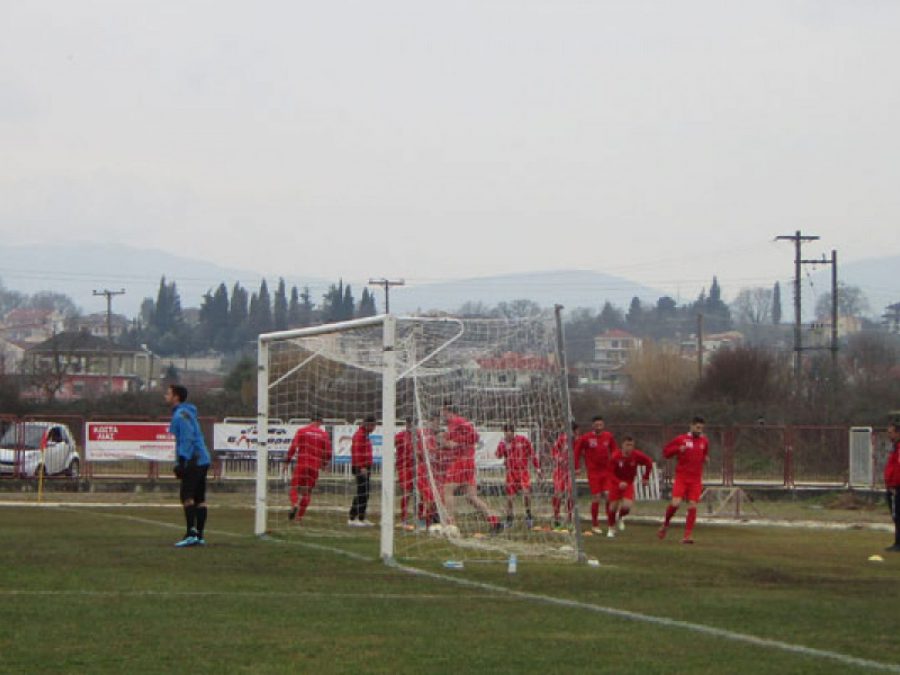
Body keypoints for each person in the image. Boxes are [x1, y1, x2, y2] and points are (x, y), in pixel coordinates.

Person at [440, 404, 502, 532]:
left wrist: (457, 443)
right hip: (466, 462)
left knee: (447, 490)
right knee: (471, 497)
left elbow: (475, 437)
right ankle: (495, 521)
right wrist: (445, 442)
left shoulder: (459, 421)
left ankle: (450, 524)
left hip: (462, 461)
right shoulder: (451, 425)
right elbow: (451, 442)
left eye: (442, 411)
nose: (441, 414)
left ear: (447, 410)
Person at [166, 384, 211, 548]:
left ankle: (191, 534)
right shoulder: (188, 412)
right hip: (202, 458)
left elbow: (187, 437)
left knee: (187, 496)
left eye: (168, 393)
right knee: (200, 498)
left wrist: (182, 461)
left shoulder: (180, 416)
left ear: (176, 397)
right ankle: (199, 535)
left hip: (194, 459)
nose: (166, 396)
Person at [658, 416, 709, 544]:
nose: (699, 430)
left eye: (701, 428)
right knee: (675, 504)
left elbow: (704, 454)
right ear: (691, 426)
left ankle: (687, 536)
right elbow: (666, 452)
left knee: (693, 505)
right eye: (697, 427)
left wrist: (705, 459)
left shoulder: (704, 441)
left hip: (696, 479)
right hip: (682, 477)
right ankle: (665, 524)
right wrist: (677, 450)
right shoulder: (681, 439)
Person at [285, 413, 333, 524]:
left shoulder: (302, 431)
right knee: (307, 493)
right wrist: (324, 464)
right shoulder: (324, 434)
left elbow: (293, 447)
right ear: (320, 422)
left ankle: (294, 504)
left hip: (302, 464)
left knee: (294, 488)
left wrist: (287, 461)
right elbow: (328, 453)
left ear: (310, 420)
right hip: (314, 467)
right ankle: (299, 518)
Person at [575, 416, 618, 534]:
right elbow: (577, 451)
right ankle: (595, 524)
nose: (599, 427)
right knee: (597, 497)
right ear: (593, 426)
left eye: (601, 425)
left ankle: (611, 523)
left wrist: (615, 460)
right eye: (597, 425)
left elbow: (614, 449)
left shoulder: (608, 436)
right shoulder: (586, 438)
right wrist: (577, 467)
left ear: (603, 425)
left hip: (606, 471)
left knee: (609, 496)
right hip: (593, 472)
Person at [606, 435, 653, 538]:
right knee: (612, 507)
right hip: (615, 483)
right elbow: (609, 473)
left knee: (627, 506)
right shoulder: (615, 456)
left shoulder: (636, 455)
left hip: (628, 483)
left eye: (631, 445)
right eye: (627, 445)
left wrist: (646, 477)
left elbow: (649, 462)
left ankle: (620, 516)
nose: (629, 447)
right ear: (622, 445)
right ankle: (611, 528)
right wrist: (618, 482)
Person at [496, 424, 540, 529]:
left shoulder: (523, 440)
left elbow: (531, 454)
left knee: (526, 494)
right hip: (510, 473)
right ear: (504, 433)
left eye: (510, 431)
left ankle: (529, 516)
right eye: (506, 431)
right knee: (510, 499)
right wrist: (503, 447)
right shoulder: (503, 443)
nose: (508, 433)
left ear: (513, 432)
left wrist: (537, 468)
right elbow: (498, 455)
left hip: (523, 472)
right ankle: (509, 519)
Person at [349, 416, 376, 527]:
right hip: (361, 468)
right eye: (373, 425)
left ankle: (361, 517)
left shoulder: (365, 435)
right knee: (361, 493)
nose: (374, 427)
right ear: (367, 424)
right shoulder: (359, 435)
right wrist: (361, 467)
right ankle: (352, 517)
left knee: (365, 493)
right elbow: (356, 452)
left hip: (365, 467)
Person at [551, 423, 578, 529]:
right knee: (558, 493)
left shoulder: (578, 441)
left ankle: (570, 518)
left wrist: (576, 467)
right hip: (559, 471)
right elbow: (554, 451)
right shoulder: (562, 438)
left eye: (575, 431)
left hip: (570, 472)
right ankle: (556, 517)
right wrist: (559, 459)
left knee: (570, 494)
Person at [395, 418, 418, 528]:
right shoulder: (400, 436)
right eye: (409, 423)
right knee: (407, 493)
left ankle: (420, 518)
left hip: (417, 468)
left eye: (414, 424)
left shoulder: (419, 436)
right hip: (404, 468)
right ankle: (403, 519)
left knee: (419, 494)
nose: (411, 426)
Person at [884, 421, 900, 552]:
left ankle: (898, 543)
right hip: (892, 486)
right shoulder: (895, 447)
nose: (889, 435)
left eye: (891, 432)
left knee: (898, 515)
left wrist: (894, 484)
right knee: (896, 515)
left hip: (897, 487)